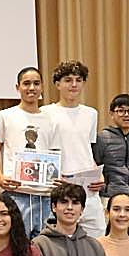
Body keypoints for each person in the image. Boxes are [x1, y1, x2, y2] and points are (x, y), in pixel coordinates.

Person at [42, 60, 106, 236]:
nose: (74, 84)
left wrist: (98, 174)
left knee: (97, 237)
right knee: (59, 239)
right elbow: (43, 152)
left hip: (88, 185)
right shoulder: (45, 113)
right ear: (57, 84)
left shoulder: (91, 114)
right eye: (68, 80)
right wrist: (54, 175)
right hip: (59, 184)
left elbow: (86, 148)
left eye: (78, 80)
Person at [0, 66, 54, 238]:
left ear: (42, 87)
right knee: (16, 250)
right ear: (17, 87)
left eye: (36, 83)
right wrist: (0, 178)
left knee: (44, 253)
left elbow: (56, 154)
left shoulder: (51, 118)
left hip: (45, 197)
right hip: (17, 194)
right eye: (26, 83)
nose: (31, 88)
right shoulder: (5, 116)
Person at [93, 93, 129, 237]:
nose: (126, 114)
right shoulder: (102, 138)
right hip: (109, 198)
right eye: (121, 110)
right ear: (112, 113)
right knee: (107, 239)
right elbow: (96, 165)